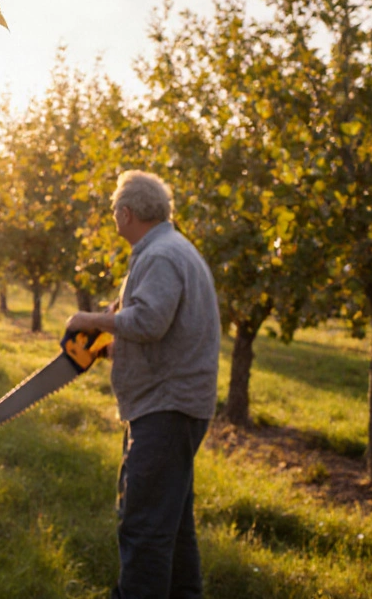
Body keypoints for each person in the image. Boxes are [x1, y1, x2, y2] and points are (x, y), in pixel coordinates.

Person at [65, 170, 220, 599]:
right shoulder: (170, 248)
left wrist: (91, 320)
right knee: (173, 524)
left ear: (126, 213)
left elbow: (149, 321)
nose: (114, 215)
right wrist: (113, 348)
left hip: (165, 408)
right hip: (174, 403)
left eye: (114, 209)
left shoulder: (161, 255)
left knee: (144, 526)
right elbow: (166, 329)